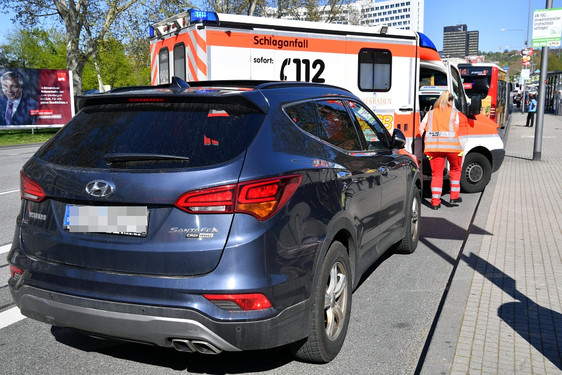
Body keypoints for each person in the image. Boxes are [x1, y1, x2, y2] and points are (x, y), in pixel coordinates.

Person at [419, 90, 463, 210]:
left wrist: (427, 139)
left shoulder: (430, 113)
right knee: (455, 169)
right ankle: (454, 196)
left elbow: (421, 128)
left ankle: (435, 203)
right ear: (450, 101)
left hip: (434, 148)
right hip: (452, 148)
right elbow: (456, 130)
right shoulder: (454, 113)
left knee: (436, 174)